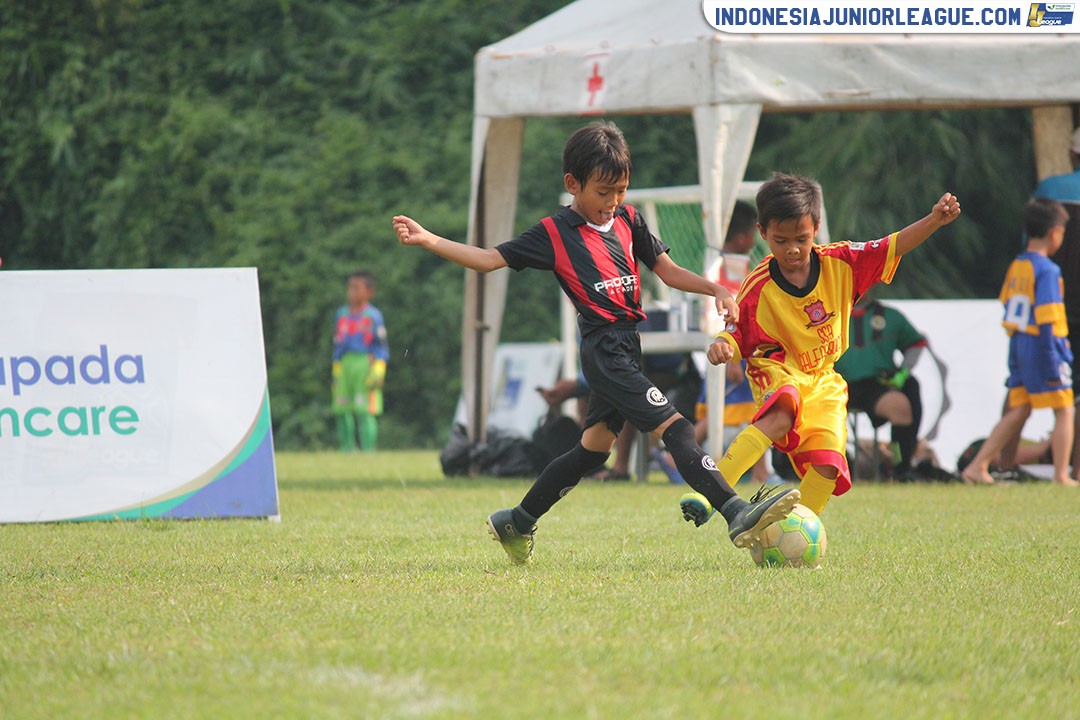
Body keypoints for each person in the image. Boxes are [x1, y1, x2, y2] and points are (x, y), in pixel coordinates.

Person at [393, 121, 800, 564]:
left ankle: (517, 521)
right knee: (677, 428)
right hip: (603, 350)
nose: (613, 203)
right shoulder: (553, 232)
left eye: (621, 190)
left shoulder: (629, 219)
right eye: (603, 192)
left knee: (593, 450)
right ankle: (736, 511)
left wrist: (716, 289)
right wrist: (429, 239)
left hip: (629, 344)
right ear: (573, 184)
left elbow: (666, 270)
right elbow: (490, 259)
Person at [690, 172, 960, 518]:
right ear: (762, 233)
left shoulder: (843, 261)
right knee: (782, 413)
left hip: (824, 379)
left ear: (816, 227)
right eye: (781, 240)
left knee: (830, 463)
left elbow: (892, 244)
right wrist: (723, 344)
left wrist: (934, 221)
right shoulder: (757, 285)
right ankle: (710, 493)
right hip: (779, 369)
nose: (792, 250)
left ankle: (800, 527)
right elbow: (736, 330)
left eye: (801, 239)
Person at [961, 199, 1077, 486]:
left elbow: (1008, 304)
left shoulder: (1018, 265)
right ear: (1055, 233)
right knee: (1065, 408)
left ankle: (978, 465)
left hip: (1020, 343)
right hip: (1044, 345)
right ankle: (1062, 474)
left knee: (1020, 409)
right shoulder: (1048, 270)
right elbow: (1048, 315)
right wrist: (1054, 354)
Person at [694, 200, 771, 485]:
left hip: (732, 350)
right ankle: (759, 472)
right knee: (757, 409)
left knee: (749, 411)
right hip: (732, 351)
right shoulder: (723, 269)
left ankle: (757, 471)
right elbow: (728, 314)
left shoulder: (722, 265)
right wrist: (734, 357)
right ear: (743, 237)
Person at [834, 294, 928, 480]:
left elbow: (915, 343)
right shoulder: (825, 315)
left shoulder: (890, 316)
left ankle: (900, 464)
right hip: (832, 384)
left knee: (907, 394)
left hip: (875, 384)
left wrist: (903, 371)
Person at [1031, 126, 1080, 482]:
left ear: (1072, 153)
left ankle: (999, 463)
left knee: (1023, 395)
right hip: (1059, 315)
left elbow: (1029, 242)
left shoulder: (1050, 191)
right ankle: (1073, 469)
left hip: (1055, 312)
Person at [331, 270, 388, 452]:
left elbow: (381, 345)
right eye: (350, 287)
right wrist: (336, 368)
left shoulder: (373, 316)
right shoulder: (342, 314)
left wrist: (379, 368)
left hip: (365, 363)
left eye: (357, 288)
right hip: (345, 364)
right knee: (342, 408)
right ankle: (347, 448)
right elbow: (337, 343)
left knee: (364, 409)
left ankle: (368, 450)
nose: (352, 292)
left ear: (369, 292)